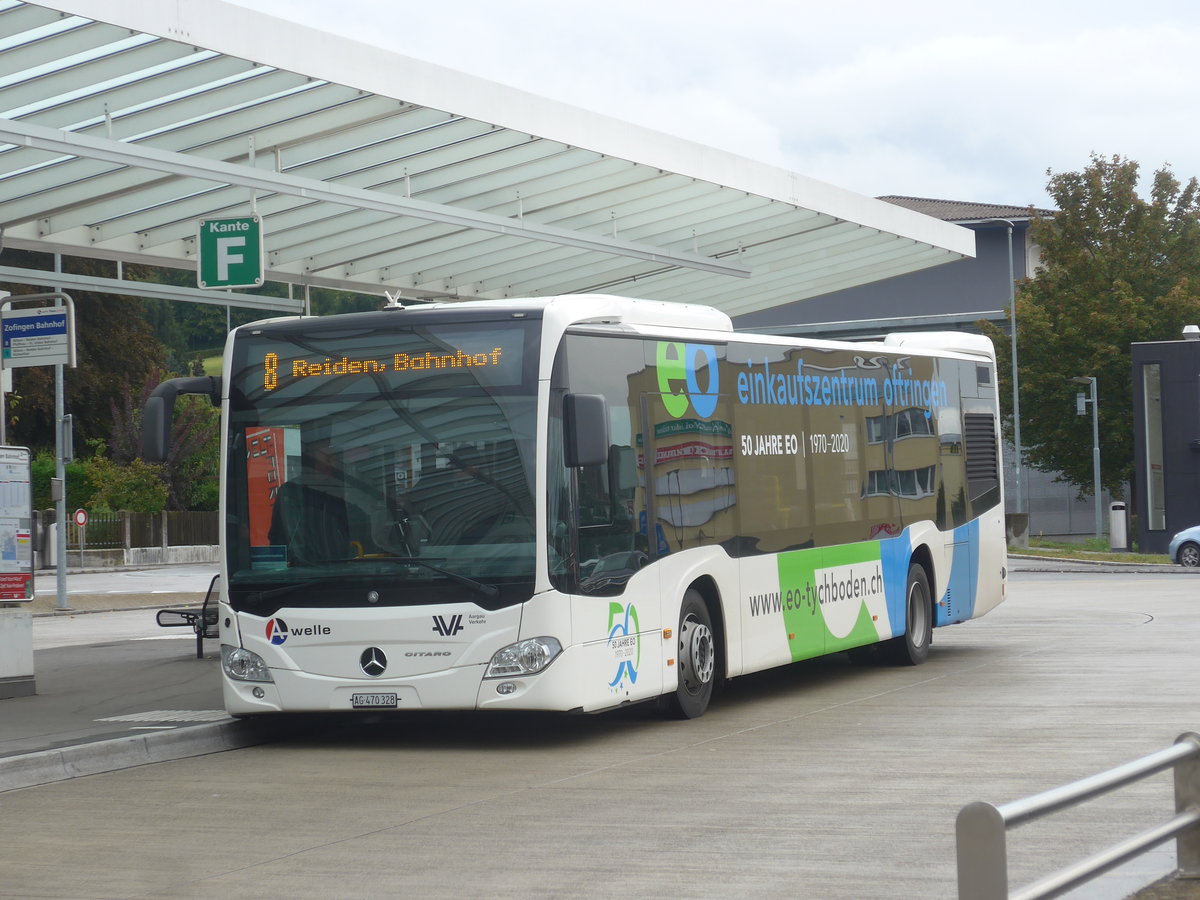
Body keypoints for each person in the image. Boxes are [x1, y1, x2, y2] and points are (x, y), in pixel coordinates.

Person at [268, 437, 355, 565]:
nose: (333, 464)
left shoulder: (339, 491)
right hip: (301, 573)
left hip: (339, 570)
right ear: (310, 459)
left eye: (334, 459)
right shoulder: (290, 492)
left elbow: (350, 532)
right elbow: (278, 537)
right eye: (328, 458)